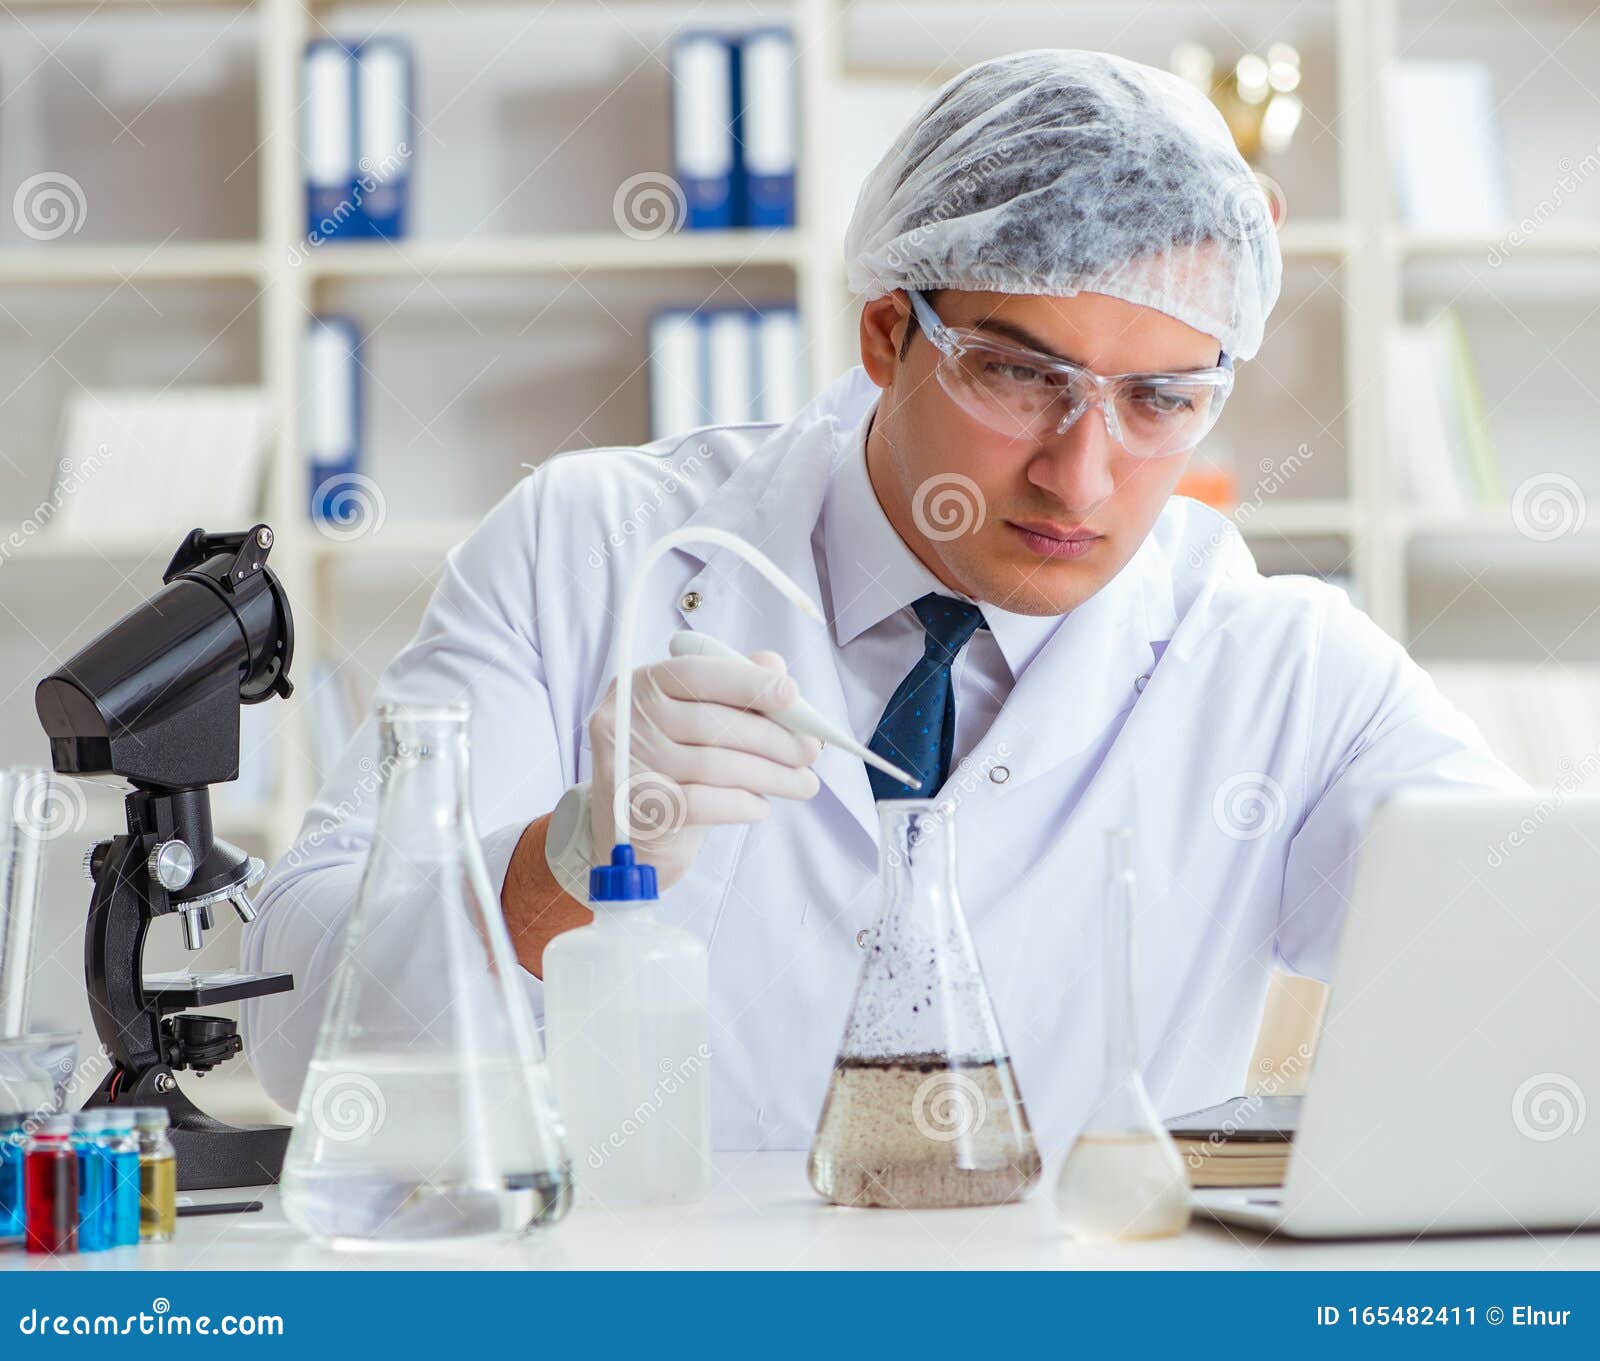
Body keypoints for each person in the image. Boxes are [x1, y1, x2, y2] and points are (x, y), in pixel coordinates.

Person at [242, 49, 1522, 1151]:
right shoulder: (591, 550)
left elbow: (1535, 963)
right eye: (1021, 375)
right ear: (884, 336)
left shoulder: (1285, 669)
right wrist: (556, 866)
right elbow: (295, 1024)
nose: (1082, 472)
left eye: (1160, 400)